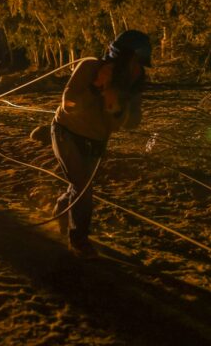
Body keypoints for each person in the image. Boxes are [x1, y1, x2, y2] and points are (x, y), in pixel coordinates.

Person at [51, 30, 151, 258]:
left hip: (95, 141)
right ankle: (79, 241)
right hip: (66, 133)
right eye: (135, 62)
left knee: (79, 185)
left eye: (141, 64)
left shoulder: (133, 83)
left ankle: (60, 209)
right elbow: (68, 103)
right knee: (83, 186)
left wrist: (116, 107)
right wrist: (96, 88)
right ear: (120, 58)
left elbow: (133, 122)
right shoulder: (89, 67)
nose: (138, 68)